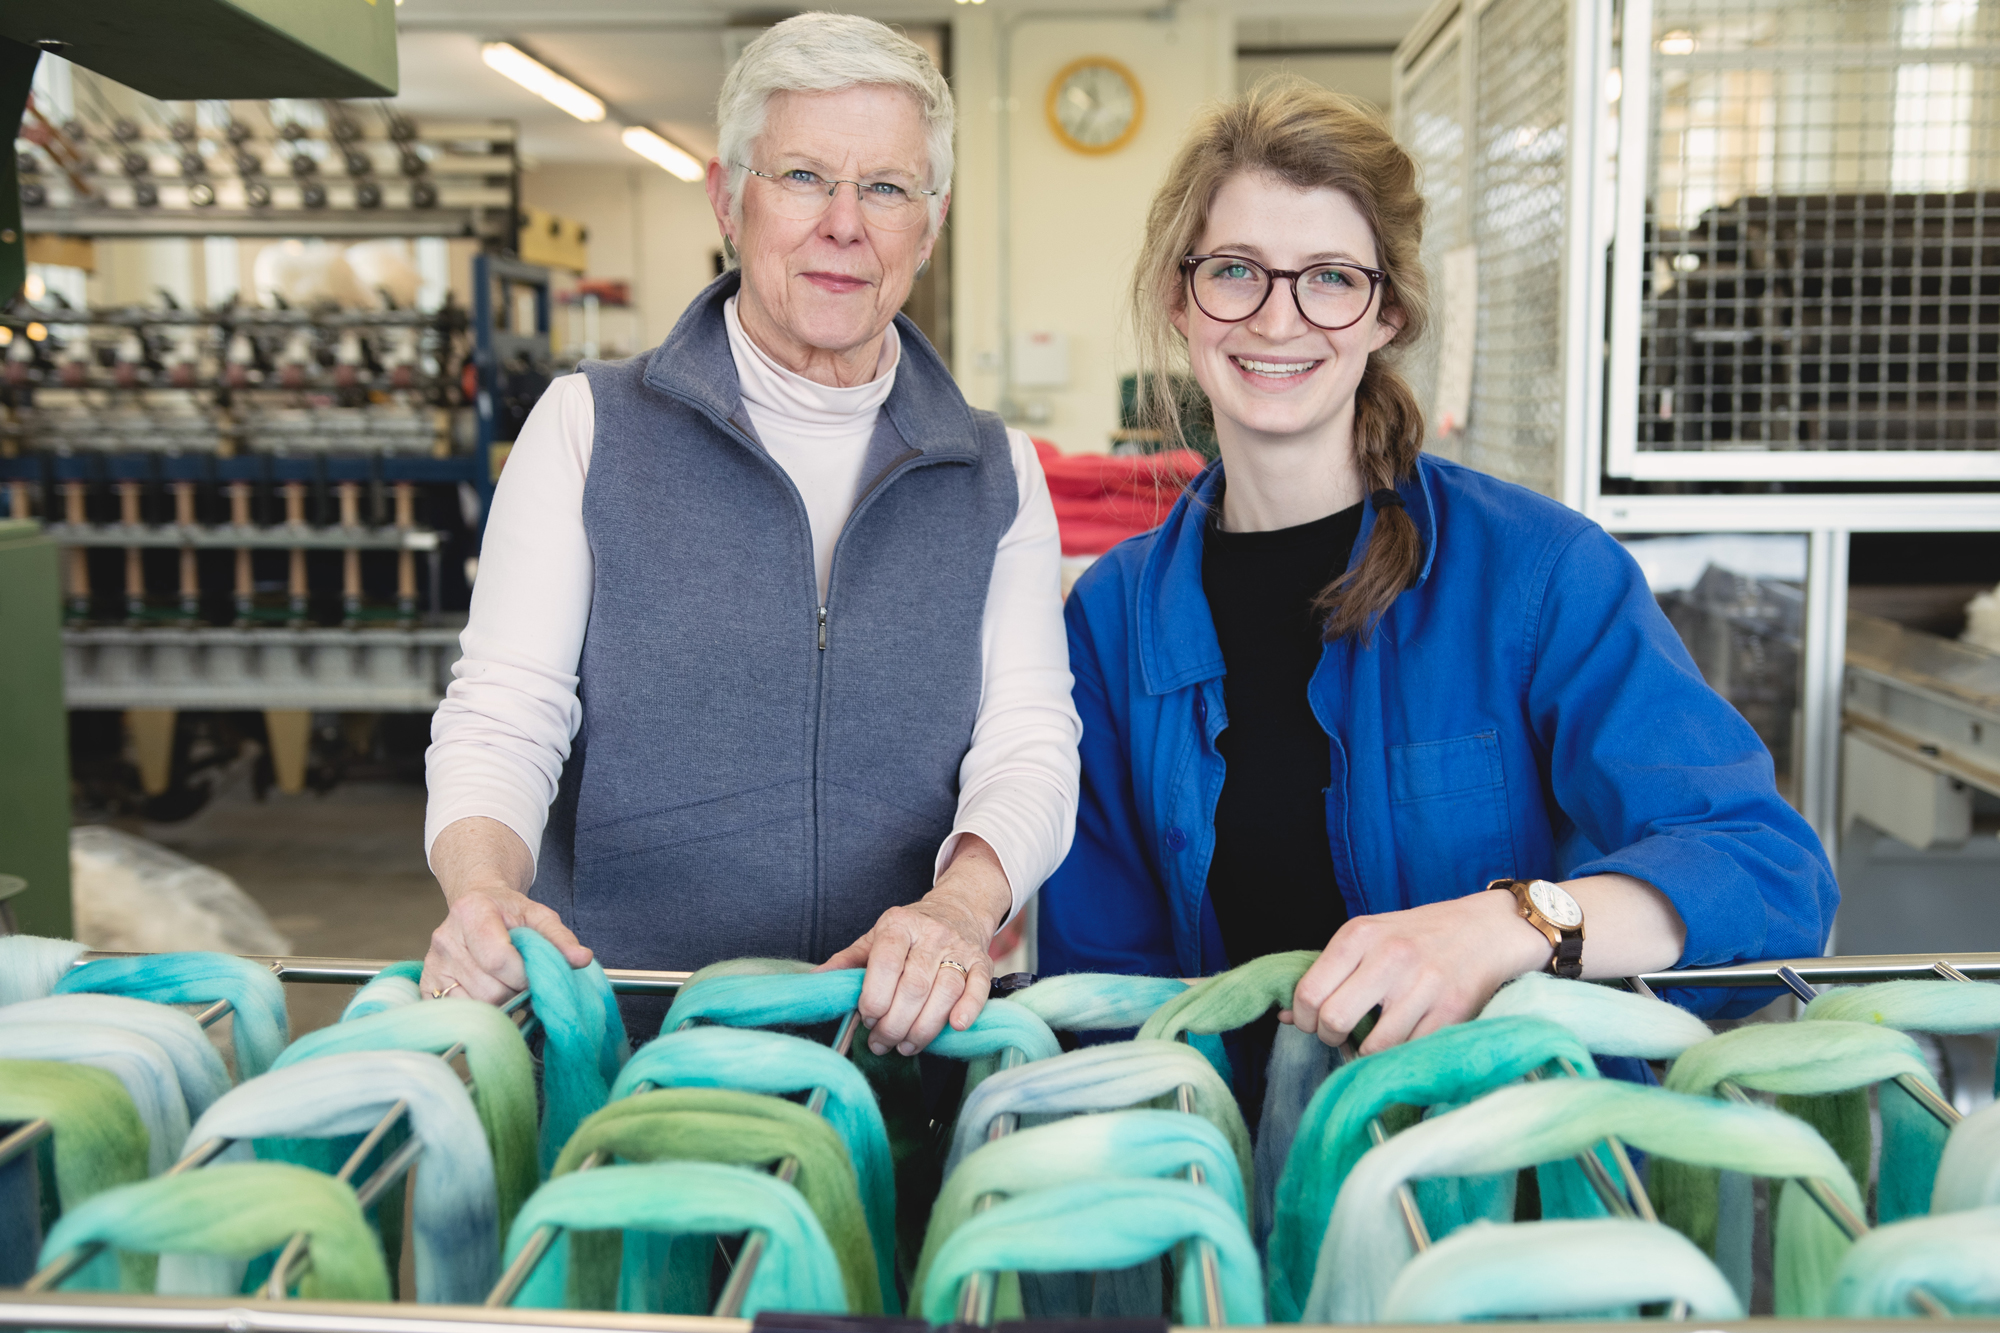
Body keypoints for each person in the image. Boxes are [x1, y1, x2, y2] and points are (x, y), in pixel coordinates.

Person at [1038, 80, 1837, 1060]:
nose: (1278, 319)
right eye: (1236, 270)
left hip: (1511, 1164)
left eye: (1330, 277)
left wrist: (1510, 927)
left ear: (1387, 314)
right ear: (1179, 297)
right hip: (1235, 1168)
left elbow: (1764, 868)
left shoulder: (1537, 575)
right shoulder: (1115, 620)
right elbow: (1107, 998)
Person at [421, 13, 1081, 1053]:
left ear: (930, 221)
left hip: (897, 1043)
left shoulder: (994, 474)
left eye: (887, 188)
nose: (845, 224)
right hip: (625, 1043)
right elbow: (506, 712)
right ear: (729, 197)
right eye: (805, 176)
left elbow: (1028, 740)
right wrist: (481, 886)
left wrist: (959, 909)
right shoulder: (590, 428)